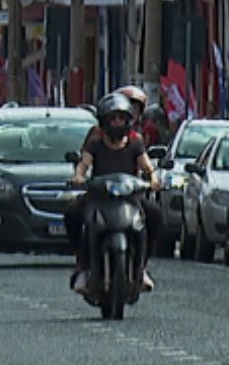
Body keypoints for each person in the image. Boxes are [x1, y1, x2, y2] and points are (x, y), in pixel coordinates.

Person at [68, 93, 161, 294]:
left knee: (154, 213)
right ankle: (83, 267)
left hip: (130, 198)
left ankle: (142, 267)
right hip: (99, 197)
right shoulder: (95, 143)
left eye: (121, 118)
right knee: (73, 213)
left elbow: (147, 166)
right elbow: (84, 165)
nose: (117, 123)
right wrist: (78, 177)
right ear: (104, 121)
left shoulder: (135, 143)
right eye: (113, 118)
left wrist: (153, 179)